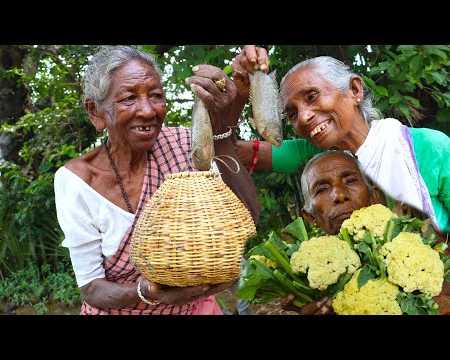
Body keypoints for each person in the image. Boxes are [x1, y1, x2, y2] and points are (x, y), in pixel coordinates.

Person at [53, 45, 260, 315]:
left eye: (156, 96)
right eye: (129, 98)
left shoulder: (185, 145)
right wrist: (147, 292)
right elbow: (92, 288)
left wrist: (219, 128)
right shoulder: (78, 181)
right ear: (95, 111)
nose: (149, 111)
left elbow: (248, 217)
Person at [230, 45, 450, 233]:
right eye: (293, 113)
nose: (304, 117)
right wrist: (241, 93)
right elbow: (228, 152)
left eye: (312, 96)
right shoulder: (317, 155)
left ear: (354, 89)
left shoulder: (430, 148)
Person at [281, 151, 450, 315]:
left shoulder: (424, 251)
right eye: (322, 189)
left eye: (350, 180)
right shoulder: (309, 278)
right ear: (311, 217)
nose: (339, 195)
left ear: (374, 196)